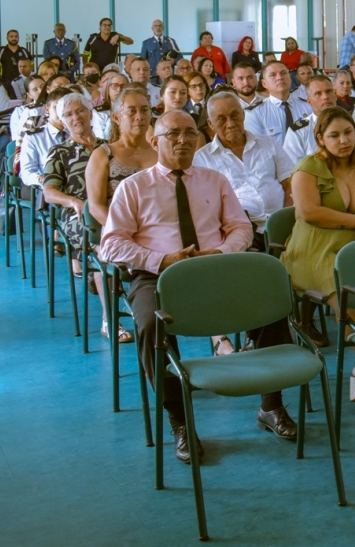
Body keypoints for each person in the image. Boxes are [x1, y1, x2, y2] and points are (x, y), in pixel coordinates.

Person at [100, 110, 297, 460]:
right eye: (172, 133)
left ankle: (271, 404)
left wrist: (220, 252)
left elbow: (241, 227)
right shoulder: (134, 187)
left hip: (214, 267)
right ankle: (179, 420)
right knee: (149, 323)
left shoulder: (214, 179)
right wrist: (162, 260)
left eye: (190, 133)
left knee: (271, 302)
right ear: (154, 139)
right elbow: (112, 244)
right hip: (158, 274)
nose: (182, 140)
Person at [280, 107, 355, 407]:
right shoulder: (308, 168)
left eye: (348, 132)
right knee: (348, 294)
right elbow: (308, 212)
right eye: (333, 135)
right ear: (320, 138)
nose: (343, 140)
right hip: (314, 251)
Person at [86, 84, 156, 341]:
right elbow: (95, 206)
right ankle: (111, 317)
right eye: (132, 111)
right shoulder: (103, 154)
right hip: (119, 232)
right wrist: (128, 234)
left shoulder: (160, 152)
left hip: (158, 229)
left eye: (145, 110)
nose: (139, 116)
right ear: (117, 117)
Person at [195, 92, 294, 248]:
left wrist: (286, 219)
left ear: (243, 115)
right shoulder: (202, 159)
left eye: (235, 115)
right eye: (221, 119)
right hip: (239, 234)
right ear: (210, 123)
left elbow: (290, 183)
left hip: (283, 225)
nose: (230, 124)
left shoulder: (269, 144)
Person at [41, 94, 104, 276]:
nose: (76, 117)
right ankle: (109, 300)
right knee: (102, 246)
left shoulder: (108, 147)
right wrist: (73, 202)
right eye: (69, 114)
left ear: (90, 114)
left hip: (111, 209)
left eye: (80, 111)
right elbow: (49, 193)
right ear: (62, 121)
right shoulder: (59, 152)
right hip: (79, 215)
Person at [19, 86, 76, 188]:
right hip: (48, 189)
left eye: (66, 108)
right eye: (57, 107)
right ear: (47, 109)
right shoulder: (34, 137)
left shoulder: (79, 132)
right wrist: (41, 178)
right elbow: (26, 173)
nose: (62, 112)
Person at [245, 61, 311, 141]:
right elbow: (257, 148)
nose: (279, 77)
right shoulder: (255, 113)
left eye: (283, 73)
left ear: (290, 78)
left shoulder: (308, 106)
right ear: (264, 83)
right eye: (273, 75)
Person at [284, 74, 338, 162]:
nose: (325, 97)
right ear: (309, 101)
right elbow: (293, 168)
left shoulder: (350, 124)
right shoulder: (298, 131)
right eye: (318, 93)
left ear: (335, 96)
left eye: (328, 91)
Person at [92, 71, 128, 140]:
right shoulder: (99, 112)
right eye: (114, 86)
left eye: (123, 86)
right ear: (108, 89)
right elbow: (99, 139)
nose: (119, 89)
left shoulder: (133, 110)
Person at [10, 75, 47, 142]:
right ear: (29, 95)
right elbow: (17, 137)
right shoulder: (20, 111)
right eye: (35, 89)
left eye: (42, 87)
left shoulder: (55, 106)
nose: (41, 91)